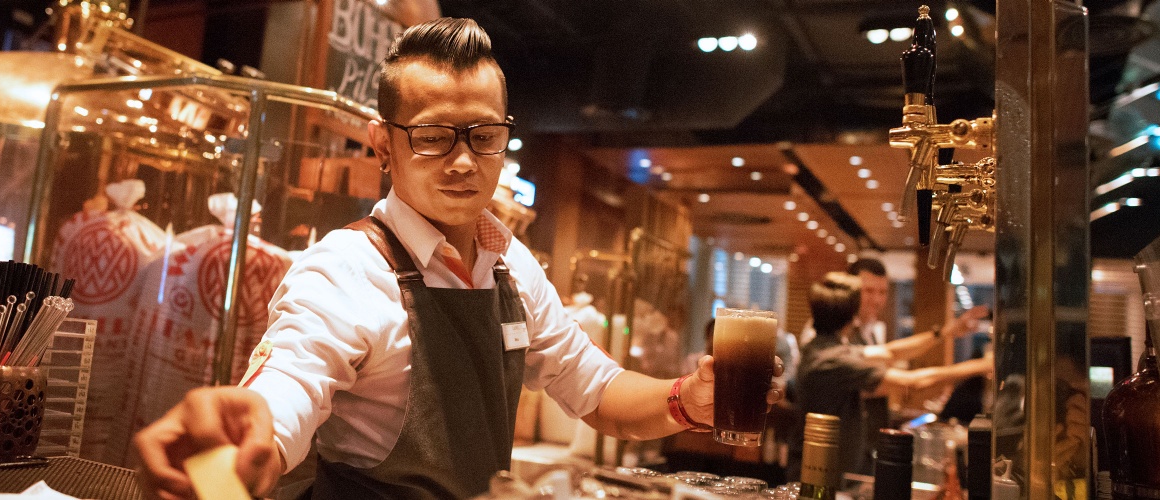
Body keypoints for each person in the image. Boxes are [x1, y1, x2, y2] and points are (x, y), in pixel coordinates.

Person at [134, 18, 782, 500]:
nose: (466, 160)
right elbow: (290, 385)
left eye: (485, 136)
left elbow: (597, 390)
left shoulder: (511, 265)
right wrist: (248, 436)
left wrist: (685, 398)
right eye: (434, 138)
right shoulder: (343, 270)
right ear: (382, 146)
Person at [792, 272, 991, 480]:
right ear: (850, 316)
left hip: (829, 471)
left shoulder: (824, 348)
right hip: (817, 475)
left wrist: (945, 332)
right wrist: (981, 365)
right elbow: (912, 381)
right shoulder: (832, 359)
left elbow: (891, 352)